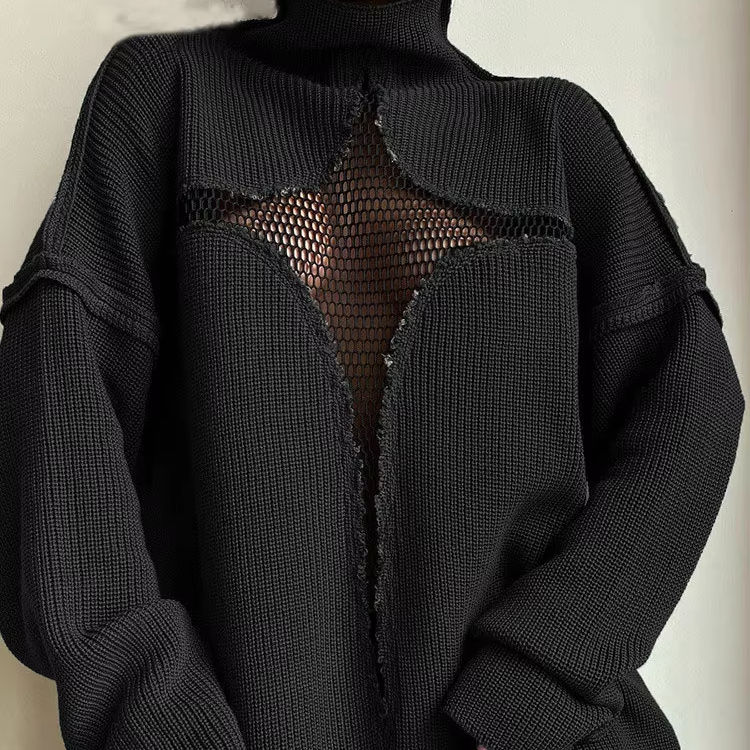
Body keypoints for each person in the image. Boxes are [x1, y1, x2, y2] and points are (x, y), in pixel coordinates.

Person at [0, 1, 744, 748]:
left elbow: (693, 403)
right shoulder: (164, 100)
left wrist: (535, 681)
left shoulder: (552, 135)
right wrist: (162, 723)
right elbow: (56, 426)